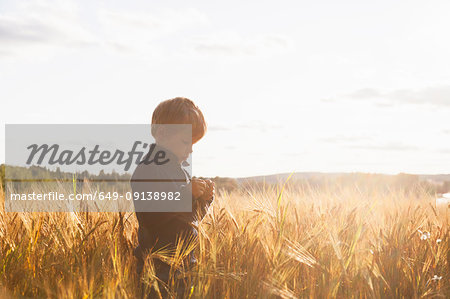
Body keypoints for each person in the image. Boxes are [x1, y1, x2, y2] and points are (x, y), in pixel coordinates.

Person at [131, 97, 214, 298]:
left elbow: (189, 221)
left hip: (185, 266)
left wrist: (204, 200)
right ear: (162, 133)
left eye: (193, 143)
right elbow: (151, 215)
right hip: (159, 272)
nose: (191, 149)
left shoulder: (180, 172)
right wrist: (187, 193)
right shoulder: (148, 169)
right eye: (186, 141)